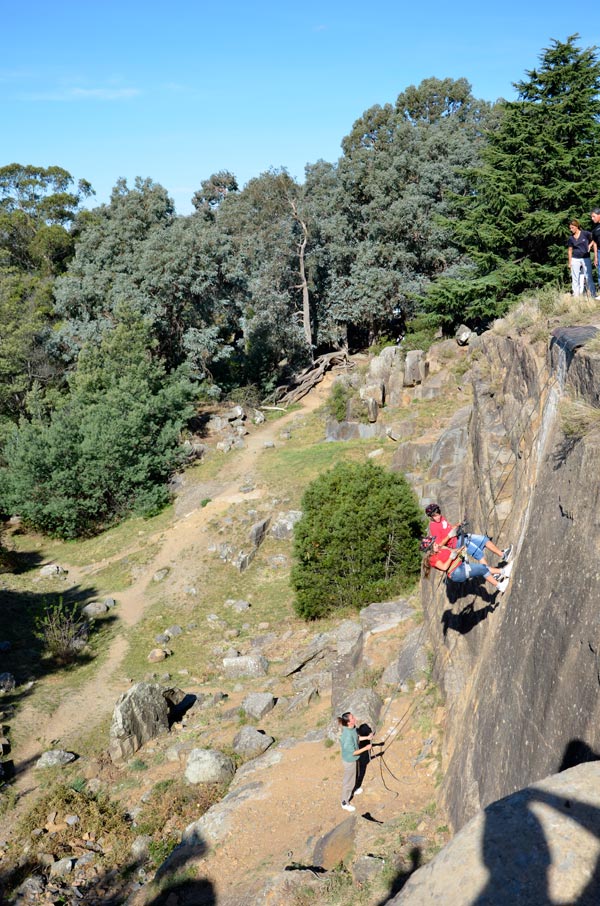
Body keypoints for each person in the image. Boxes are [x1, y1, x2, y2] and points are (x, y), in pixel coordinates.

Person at [425, 503, 512, 565]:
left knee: (484, 539)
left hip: (459, 537)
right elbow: (439, 544)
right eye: (435, 516)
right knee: (478, 554)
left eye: (438, 513)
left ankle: (503, 555)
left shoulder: (441, 518)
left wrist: (456, 526)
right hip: (457, 544)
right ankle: (492, 574)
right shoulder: (433, 526)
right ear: (431, 517)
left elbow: (447, 528)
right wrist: (449, 536)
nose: (438, 516)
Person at [420, 538, 510, 593]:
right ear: (430, 549)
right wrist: (451, 558)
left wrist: (461, 549)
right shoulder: (432, 559)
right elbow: (444, 567)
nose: (437, 544)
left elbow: (453, 551)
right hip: (456, 572)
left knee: (482, 569)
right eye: (434, 544)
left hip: (460, 565)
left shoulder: (440, 549)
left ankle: (502, 576)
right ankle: (501, 580)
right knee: (482, 569)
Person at [338, 711, 373, 812]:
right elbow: (353, 752)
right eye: (352, 718)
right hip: (350, 761)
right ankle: (344, 802)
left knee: (355, 776)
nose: (355, 718)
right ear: (349, 722)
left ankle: (355, 788)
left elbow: (356, 738)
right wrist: (366, 748)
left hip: (354, 759)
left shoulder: (352, 729)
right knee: (348, 782)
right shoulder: (347, 736)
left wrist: (367, 737)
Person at [567, 219, 595, 297]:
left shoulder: (585, 234)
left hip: (586, 258)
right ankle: (576, 295)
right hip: (575, 259)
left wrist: (590, 245)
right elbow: (569, 250)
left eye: (572, 228)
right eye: (570, 228)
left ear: (577, 226)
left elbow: (594, 238)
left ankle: (593, 294)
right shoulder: (571, 238)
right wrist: (570, 263)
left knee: (588, 276)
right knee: (575, 277)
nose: (571, 229)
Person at [590, 208, 600, 297]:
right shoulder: (595, 230)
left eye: (594, 216)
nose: (592, 218)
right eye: (591, 217)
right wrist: (596, 257)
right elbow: (595, 244)